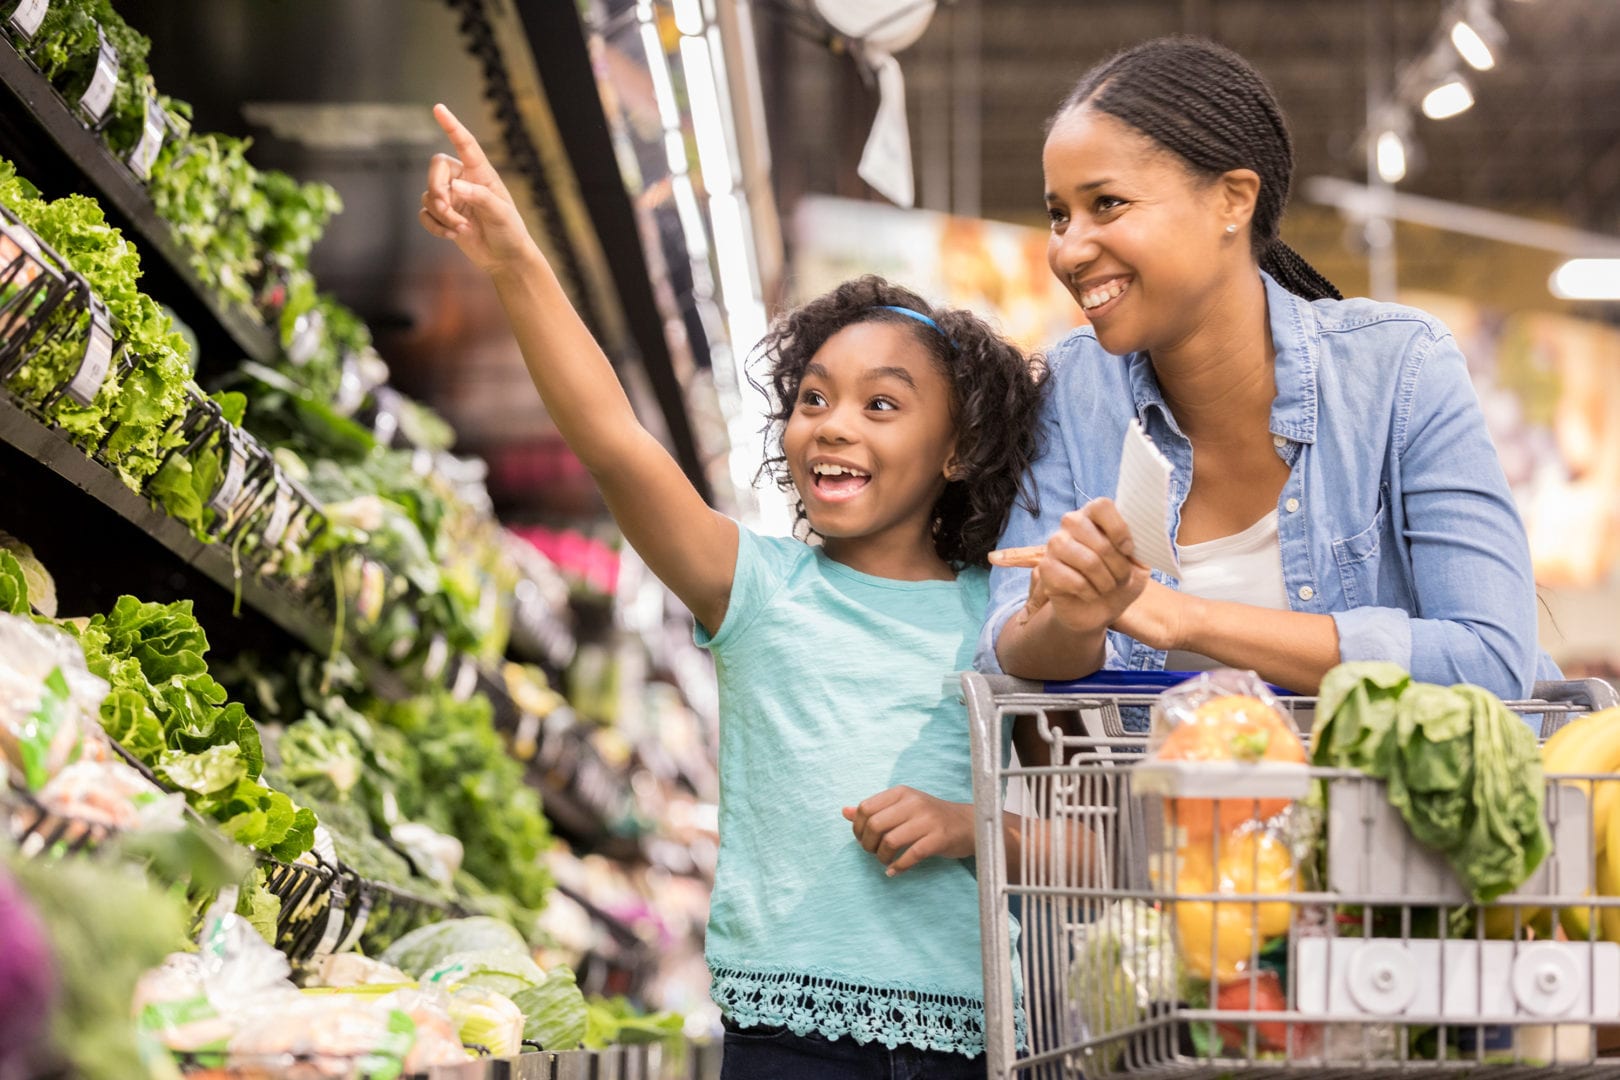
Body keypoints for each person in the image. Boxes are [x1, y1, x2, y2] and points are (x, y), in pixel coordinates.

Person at [418, 105, 1045, 1077]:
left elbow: (1092, 849)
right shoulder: (753, 587)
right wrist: (512, 259)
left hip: (979, 1045)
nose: (833, 425)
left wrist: (975, 828)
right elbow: (614, 438)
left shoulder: (1006, 619)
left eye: (882, 403)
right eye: (813, 398)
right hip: (785, 1048)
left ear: (959, 448)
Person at [980, 36, 1553, 703]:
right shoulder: (1072, 390)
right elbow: (1007, 651)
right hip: (1164, 807)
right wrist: (1070, 619)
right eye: (1058, 215)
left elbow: (1489, 660)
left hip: (1391, 806)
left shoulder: (1401, 369)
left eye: (1107, 203)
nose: (1069, 249)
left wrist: (1185, 619)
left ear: (1233, 199)